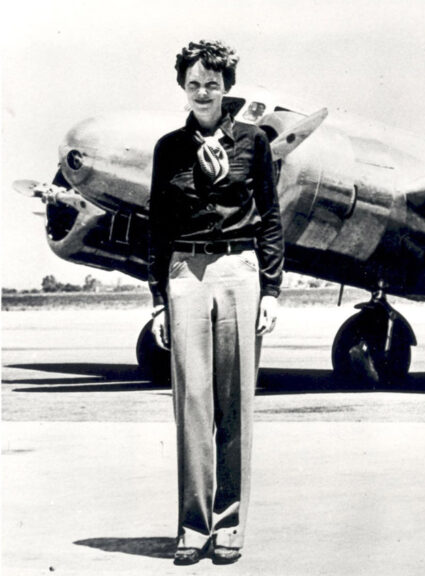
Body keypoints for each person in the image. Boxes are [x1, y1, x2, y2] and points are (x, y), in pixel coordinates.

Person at [147, 39, 284, 566]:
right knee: (192, 407)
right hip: (185, 272)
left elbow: (270, 218)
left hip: (239, 270)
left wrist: (271, 290)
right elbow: (158, 227)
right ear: (182, 87)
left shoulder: (254, 142)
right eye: (193, 84)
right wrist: (159, 299)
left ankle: (229, 527)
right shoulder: (168, 149)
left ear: (227, 86)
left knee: (235, 407)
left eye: (212, 83)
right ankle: (192, 527)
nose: (202, 92)